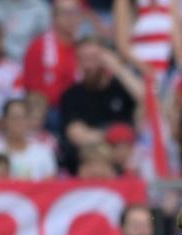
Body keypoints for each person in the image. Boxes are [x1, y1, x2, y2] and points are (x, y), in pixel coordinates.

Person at [58, 38, 142, 174]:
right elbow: (76, 134)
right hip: (93, 158)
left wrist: (118, 68)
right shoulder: (71, 95)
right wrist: (114, 138)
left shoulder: (121, 88)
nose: (89, 65)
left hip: (129, 156)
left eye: (94, 57)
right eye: (84, 59)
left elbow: (146, 99)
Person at [22, 0, 81, 109]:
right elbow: (31, 89)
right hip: (49, 110)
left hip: (77, 108)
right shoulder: (38, 47)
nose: (71, 18)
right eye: (65, 13)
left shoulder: (83, 47)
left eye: (74, 13)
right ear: (53, 17)